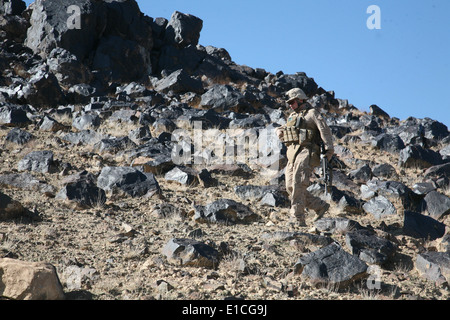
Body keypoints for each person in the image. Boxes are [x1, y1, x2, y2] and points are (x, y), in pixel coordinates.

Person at [275, 88, 334, 226]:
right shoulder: (292, 116)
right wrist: (278, 131)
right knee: (290, 186)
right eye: (289, 103)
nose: (290, 105)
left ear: (300, 99)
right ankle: (319, 206)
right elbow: (284, 127)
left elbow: (324, 130)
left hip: (307, 152)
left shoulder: (312, 113)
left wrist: (328, 150)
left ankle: (297, 219)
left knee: (298, 183)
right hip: (292, 155)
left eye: (292, 102)